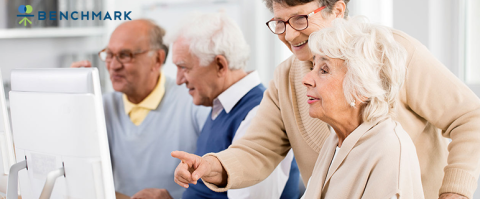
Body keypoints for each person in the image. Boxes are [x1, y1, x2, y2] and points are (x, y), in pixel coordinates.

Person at [171, 1, 480, 199]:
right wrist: (211, 165)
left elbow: (470, 117)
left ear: (338, 10)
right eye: (279, 22)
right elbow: (258, 149)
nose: (290, 35)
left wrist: (454, 193)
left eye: (300, 18)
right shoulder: (286, 78)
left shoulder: (391, 53)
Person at [146, 12, 298, 199]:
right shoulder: (220, 108)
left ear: (220, 65)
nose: (178, 80)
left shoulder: (258, 113)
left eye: (184, 67)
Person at [70, 19, 210, 199]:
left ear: (157, 59)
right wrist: (73, 106)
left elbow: (217, 182)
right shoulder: (100, 106)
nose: (113, 66)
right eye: (109, 55)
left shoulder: (194, 101)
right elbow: (77, 174)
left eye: (125, 55)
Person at [300, 16, 424, 198]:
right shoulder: (336, 140)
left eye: (324, 70)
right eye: (313, 66)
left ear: (361, 88)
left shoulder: (388, 150)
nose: (306, 79)